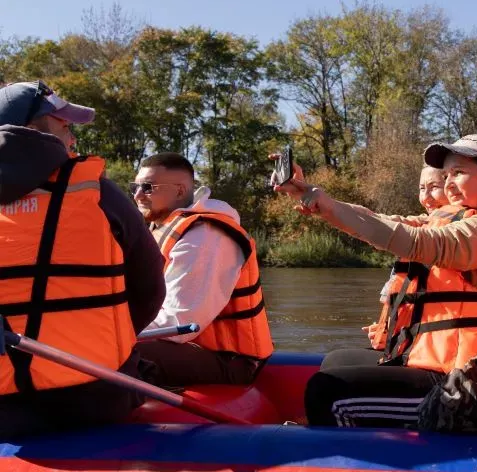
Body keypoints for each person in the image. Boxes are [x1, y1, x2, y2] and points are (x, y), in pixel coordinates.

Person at [273, 134, 477, 428]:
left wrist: (328, 205)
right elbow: (377, 219)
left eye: (458, 173)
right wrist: (313, 196)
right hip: (440, 368)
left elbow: (415, 241)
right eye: (446, 175)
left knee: (327, 391)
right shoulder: (450, 220)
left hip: (473, 387)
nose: (448, 183)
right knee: (336, 361)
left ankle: (353, 465)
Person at [0, 80, 165, 438]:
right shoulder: (96, 191)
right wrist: (107, 339)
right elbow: (150, 288)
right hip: (94, 398)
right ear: (32, 127)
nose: (72, 137)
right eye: (65, 125)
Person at [132, 152, 273, 388]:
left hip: (229, 361)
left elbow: (181, 322)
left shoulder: (205, 236)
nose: (137, 195)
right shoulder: (164, 228)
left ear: (179, 191)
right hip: (190, 349)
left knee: (109, 351)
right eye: (135, 187)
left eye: (148, 187)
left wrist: (114, 333)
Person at [365, 165, 448, 350]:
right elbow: (376, 220)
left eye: (434, 187)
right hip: (407, 344)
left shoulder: (461, 237)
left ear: (453, 187)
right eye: (421, 188)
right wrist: (385, 329)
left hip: (432, 351)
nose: (425, 197)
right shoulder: (423, 224)